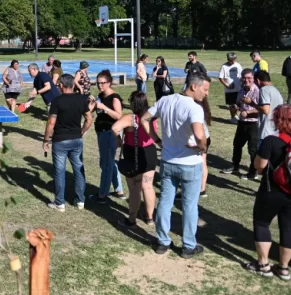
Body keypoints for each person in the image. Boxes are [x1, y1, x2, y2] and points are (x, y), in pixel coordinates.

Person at [141, 72, 210, 258]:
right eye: (205, 89)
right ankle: (188, 246)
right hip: (190, 164)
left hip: (168, 161)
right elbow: (199, 135)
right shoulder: (195, 108)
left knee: (165, 202)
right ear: (194, 86)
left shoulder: (165, 100)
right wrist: (201, 147)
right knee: (189, 206)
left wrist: (157, 141)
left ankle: (163, 241)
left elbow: (144, 119)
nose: (207, 94)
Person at [243, 105, 291, 280]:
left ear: (277, 120)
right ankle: (284, 268)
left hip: (273, 190)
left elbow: (259, 166)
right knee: (288, 227)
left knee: (262, 223)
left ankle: (263, 265)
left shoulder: (271, 140)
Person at [42, 74, 92, 211]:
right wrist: (81, 132)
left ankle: (60, 203)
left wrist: (46, 140)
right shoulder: (81, 99)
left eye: (58, 85)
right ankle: (80, 200)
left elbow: (51, 122)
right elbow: (89, 119)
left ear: (62, 85)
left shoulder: (57, 101)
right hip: (76, 140)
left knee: (59, 172)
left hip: (60, 141)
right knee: (79, 169)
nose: (58, 87)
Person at [111, 91, 158, 226]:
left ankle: (132, 219)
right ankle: (149, 217)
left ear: (133, 103)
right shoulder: (151, 116)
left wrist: (119, 139)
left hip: (134, 153)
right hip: (149, 151)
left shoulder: (131, 118)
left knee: (135, 188)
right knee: (148, 186)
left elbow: (114, 128)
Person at [89, 70, 125, 204]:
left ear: (109, 83)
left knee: (106, 164)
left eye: (102, 83)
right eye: (97, 83)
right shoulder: (100, 96)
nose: (99, 86)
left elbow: (119, 116)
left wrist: (104, 108)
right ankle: (119, 190)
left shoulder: (114, 98)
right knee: (109, 162)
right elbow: (91, 111)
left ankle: (103, 194)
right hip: (102, 132)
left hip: (110, 133)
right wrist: (93, 103)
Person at [221, 69, 261, 179]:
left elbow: (262, 109)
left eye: (249, 78)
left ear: (253, 79)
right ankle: (235, 166)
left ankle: (253, 172)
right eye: (244, 78)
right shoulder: (242, 90)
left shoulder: (258, 91)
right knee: (237, 144)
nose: (247, 80)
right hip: (242, 123)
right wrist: (236, 107)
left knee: (252, 149)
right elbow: (239, 104)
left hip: (253, 124)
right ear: (241, 79)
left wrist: (248, 112)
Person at [254, 71, 284, 141]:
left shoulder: (264, 90)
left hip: (265, 131)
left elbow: (265, 110)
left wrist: (252, 103)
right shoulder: (276, 90)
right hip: (276, 130)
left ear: (258, 81)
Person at [219, 52, 243, 122]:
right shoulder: (224, 66)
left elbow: (241, 75)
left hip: (238, 88)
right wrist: (226, 85)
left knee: (238, 104)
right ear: (228, 59)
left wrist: (242, 83)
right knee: (232, 104)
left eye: (234, 60)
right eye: (231, 60)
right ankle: (233, 117)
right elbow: (221, 78)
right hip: (229, 90)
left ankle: (235, 115)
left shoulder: (238, 65)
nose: (232, 61)